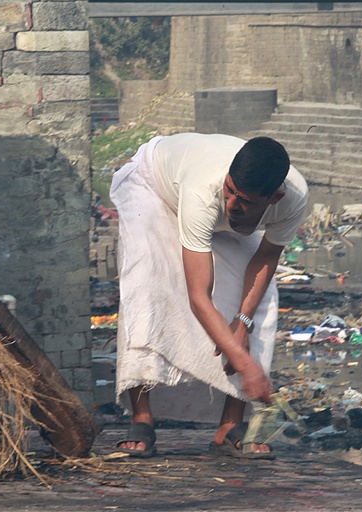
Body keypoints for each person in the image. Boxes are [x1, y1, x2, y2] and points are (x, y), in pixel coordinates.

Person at [111, 133, 308, 459]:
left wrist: (242, 323)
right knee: (146, 285)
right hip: (154, 186)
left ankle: (230, 426)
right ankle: (142, 417)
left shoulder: (294, 200)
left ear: (275, 198)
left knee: (262, 299)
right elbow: (198, 296)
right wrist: (245, 364)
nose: (232, 205)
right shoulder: (204, 190)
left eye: (245, 201)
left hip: (216, 213)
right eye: (230, 191)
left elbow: (266, 257)